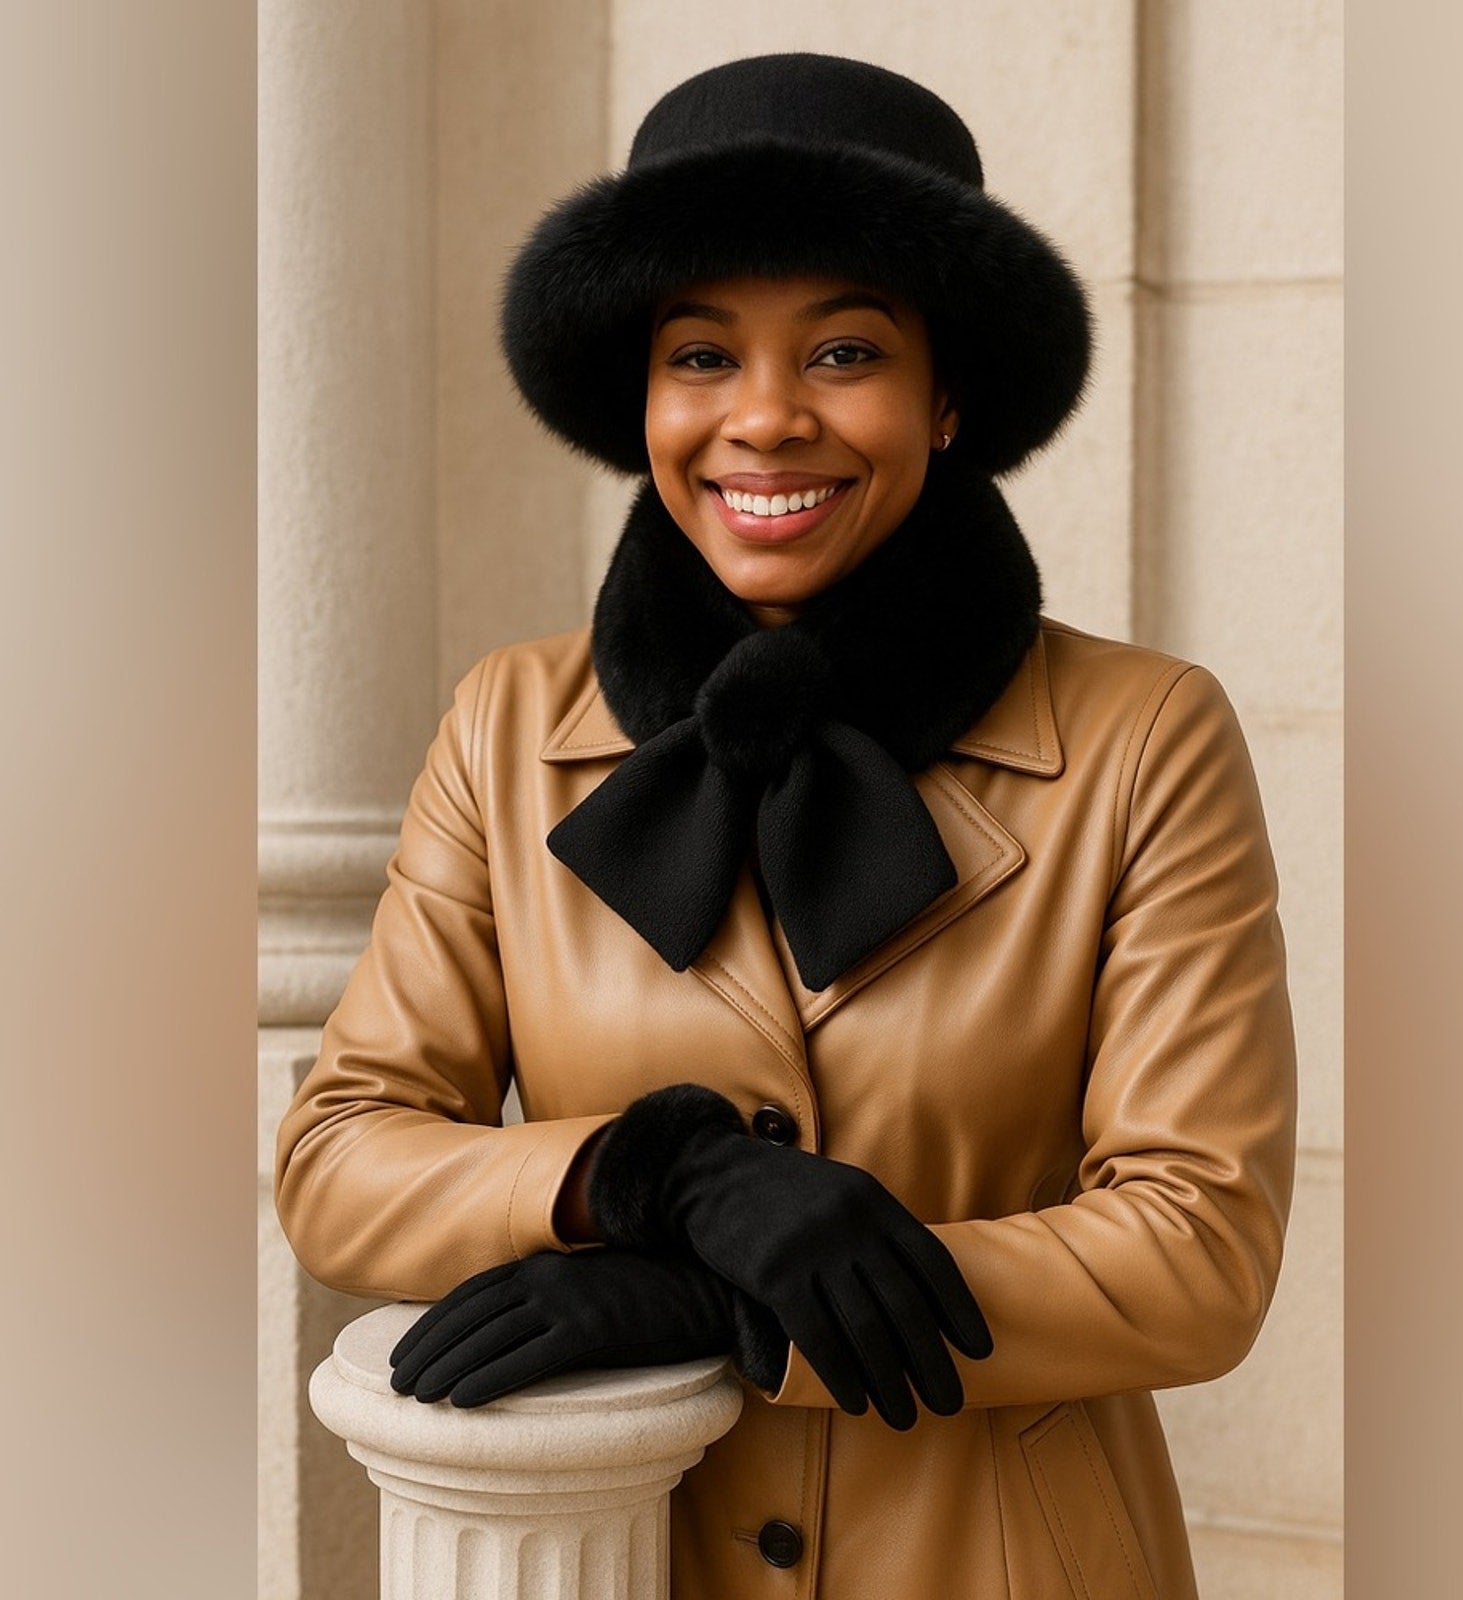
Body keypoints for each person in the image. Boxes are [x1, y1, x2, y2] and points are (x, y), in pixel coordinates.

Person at [275, 53, 1296, 1600]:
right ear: (639, 396)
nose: (763, 419)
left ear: (946, 393)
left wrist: (718, 1301)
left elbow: (1198, 1251)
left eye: (843, 351)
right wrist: (639, 1183)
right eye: (700, 354)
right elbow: (340, 1158)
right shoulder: (505, 725)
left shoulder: (1144, 737)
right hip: (626, 1554)